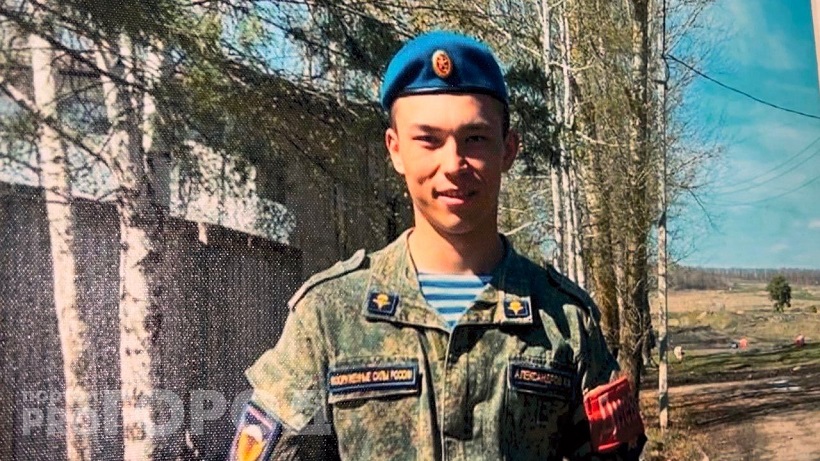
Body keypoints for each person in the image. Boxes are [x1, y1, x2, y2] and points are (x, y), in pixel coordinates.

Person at [228, 30, 646, 461]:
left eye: (475, 138)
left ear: (508, 149)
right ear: (395, 150)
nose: (453, 165)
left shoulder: (565, 320)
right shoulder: (329, 315)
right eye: (428, 139)